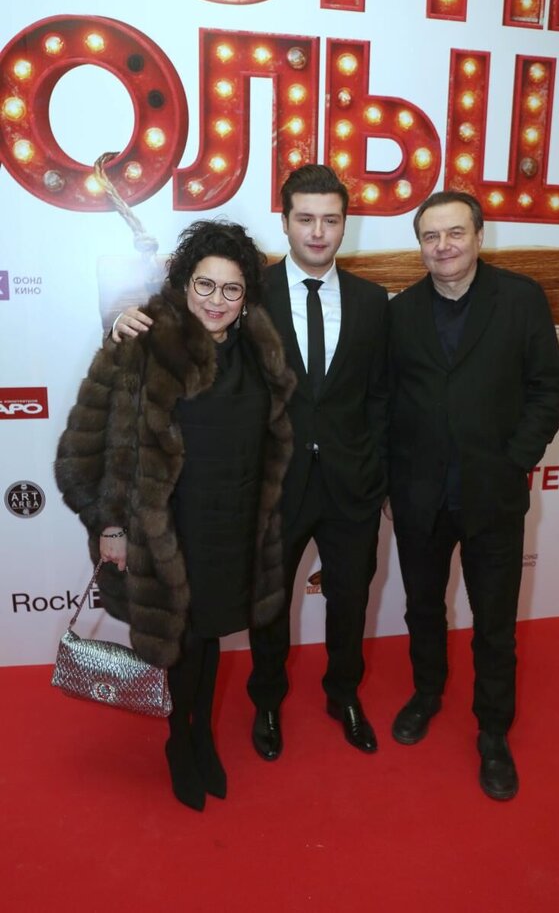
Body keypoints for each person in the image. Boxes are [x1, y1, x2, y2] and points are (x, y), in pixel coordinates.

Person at [113, 165, 389, 759]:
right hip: (273, 486)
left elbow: (381, 397)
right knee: (270, 604)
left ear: (345, 224)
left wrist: (378, 475)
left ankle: (344, 694)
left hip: (352, 485)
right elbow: (186, 323)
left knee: (351, 597)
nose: (318, 232)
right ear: (285, 222)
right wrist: (123, 321)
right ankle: (267, 701)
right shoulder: (249, 290)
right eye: (305, 218)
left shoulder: (372, 302)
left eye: (331, 220)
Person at [54, 220, 295, 812]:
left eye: (231, 289)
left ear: (246, 299)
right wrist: (110, 524)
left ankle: (201, 733)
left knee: (208, 634)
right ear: (184, 284)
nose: (216, 300)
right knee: (182, 638)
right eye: (204, 285)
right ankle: (179, 741)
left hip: (231, 524)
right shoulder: (143, 341)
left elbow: (274, 438)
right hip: (166, 528)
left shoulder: (260, 350)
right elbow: (90, 447)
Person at [387, 190, 559, 800]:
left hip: (493, 496)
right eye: (430, 236)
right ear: (420, 245)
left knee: (494, 624)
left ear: (479, 236)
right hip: (419, 496)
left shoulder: (520, 298)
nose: (443, 246)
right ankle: (427, 692)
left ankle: (493, 732)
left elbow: (548, 387)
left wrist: (515, 460)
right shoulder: (400, 312)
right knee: (422, 608)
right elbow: (385, 402)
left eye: (455, 233)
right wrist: (389, 482)